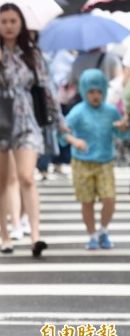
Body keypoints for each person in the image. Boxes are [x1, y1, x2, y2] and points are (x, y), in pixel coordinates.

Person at [0, 3, 66, 257]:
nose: (9, 25)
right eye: (5, 21)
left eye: (13, 21)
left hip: (26, 120)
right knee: (0, 182)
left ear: (21, 24)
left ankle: (35, 235)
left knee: (27, 177)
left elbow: (47, 90)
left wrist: (61, 124)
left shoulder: (31, 53)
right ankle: (5, 235)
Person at [61, 69, 130, 250]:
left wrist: (123, 127)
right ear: (84, 91)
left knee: (109, 199)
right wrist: (74, 141)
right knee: (87, 201)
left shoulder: (111, 111)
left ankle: (104, 230)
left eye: (99, 91)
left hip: (105, 162)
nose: (96, 95)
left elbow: (120, 133)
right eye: (91, 91)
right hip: (82, 164)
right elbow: (61, 132)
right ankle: (92, 235)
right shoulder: (77, 112)